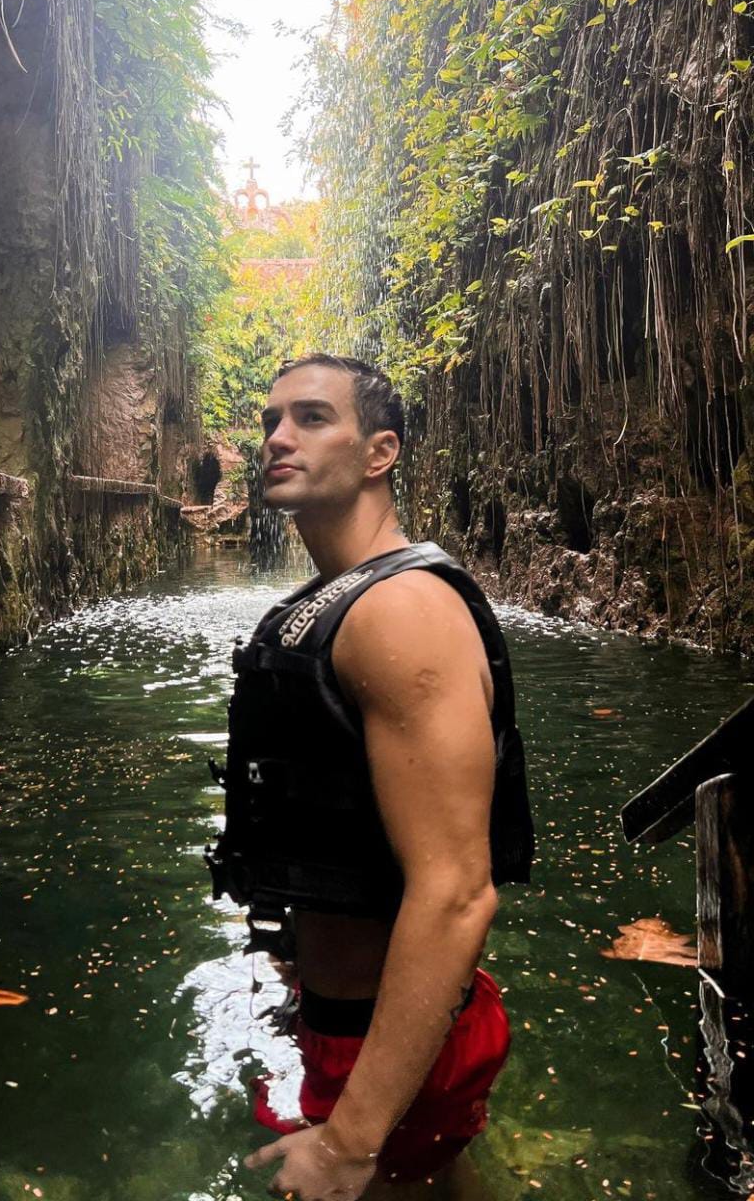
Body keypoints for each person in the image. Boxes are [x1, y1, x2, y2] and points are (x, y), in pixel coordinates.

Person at [205, 354, 534, 1200]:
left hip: (380, 1046)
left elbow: (458, 889)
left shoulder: (401, 611)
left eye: (312, 418)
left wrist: (350, 1140)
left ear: (380, 452)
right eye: (273, 418)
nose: (278, 437)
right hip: (357, 1020)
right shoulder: (345, 595)